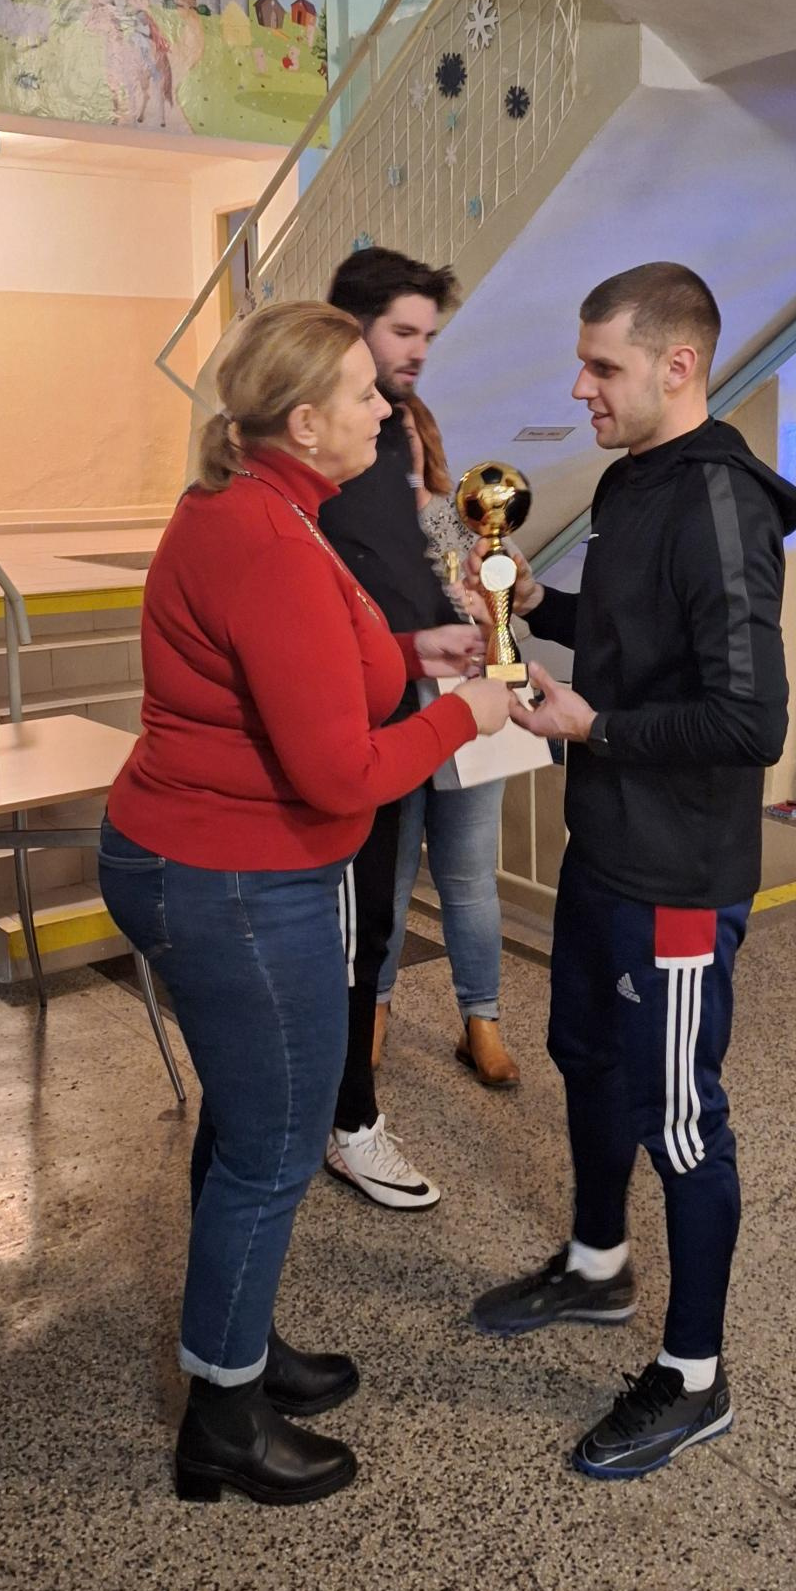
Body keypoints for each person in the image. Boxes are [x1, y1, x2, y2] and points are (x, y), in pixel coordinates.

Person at [99, 302, 508, 1507]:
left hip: (206, 857)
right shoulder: (269, 539)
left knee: (246, 1121)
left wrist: (419, 655)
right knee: (276, 1145)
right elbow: (338, 772)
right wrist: (465, 713)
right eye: (364, 391)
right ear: (304, 421)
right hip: (232, 876)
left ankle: (239, 1339)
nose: (388, 404)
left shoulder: (266, 506)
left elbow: (315, 659)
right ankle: (222, 1422)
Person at [470, 263, 796, 1479]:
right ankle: (598, 1264)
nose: (580, 388)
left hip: (678, 875)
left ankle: (695, 1376)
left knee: (678, 1115)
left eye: (602, 366)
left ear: (678, 365)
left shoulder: (723, 500)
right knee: (586, 1053)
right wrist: (532, 602)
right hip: (605, 846)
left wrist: (595, 727)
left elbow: (750, 722)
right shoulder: (631, 481)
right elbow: (631, 631)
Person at [318, 248, 517, 1213]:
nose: (419, 354)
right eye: (403, 332)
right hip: (352, 728)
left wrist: (442, 638)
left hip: (409, 706)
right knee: (357, 921)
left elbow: (403, 581)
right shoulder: (308, 465)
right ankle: (344, 1107)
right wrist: (413, 648)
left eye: (427, 336)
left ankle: (356, 1104)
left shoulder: (396, 449)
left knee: (411, 902)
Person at [372, 390, 519, 1090]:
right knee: (389, 877)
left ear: (425, 437)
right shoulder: (354, 523)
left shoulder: (466, 519)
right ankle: (373, 1010)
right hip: (392, 719)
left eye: (402, 431)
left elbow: (507, 621)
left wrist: (486, 613)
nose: (392, 445)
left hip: (469, 716)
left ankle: (480, 1021)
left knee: (467, 879)